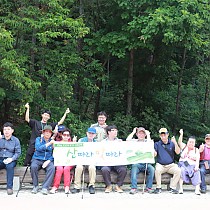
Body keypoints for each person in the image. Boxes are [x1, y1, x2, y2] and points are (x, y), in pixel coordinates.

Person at [126, 127, 155, 194]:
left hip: (146, 163)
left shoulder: (148, 141)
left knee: (152, 169)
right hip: (137, 163)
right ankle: (134, 188)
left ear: (145, 135)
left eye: (143, 133)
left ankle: (148, 187)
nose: (141, 135)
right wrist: (133, 132)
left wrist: (148, 135)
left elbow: (150, 144)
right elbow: (127, 140)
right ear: (137, 134)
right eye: (139, 133)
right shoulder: (134, 141)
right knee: (134, 168)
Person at [153, 127, 181, 194]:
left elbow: (178, 152)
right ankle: (158, 187)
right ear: (160, 136)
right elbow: (154, 155)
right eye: (161, 135)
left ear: (168, 134)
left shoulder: (172, 143)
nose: (163, 137)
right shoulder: (157, 144)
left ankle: (173, 187)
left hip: (170, 165)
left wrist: (175, 143)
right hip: (160, 165)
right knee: (157, 170)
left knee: (178, 170)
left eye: (164, 135)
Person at [101, 125, 127, 193]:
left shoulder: (119, 141)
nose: (115, 132)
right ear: (108, 132)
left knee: (123, 169)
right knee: (104, 169)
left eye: (116, 130)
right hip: (107, 162)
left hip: (117, 162)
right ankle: (108, 186)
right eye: (113, 130)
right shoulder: (103, 142)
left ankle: (118, 186)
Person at [71, 127, 97, 194]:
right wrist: (74, 143)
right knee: (79, 167)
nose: (91, 135)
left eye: (92, 133)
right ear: (87, 133)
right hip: (81, 160)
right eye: (89, 133)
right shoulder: (81, 140)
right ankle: (77, 187)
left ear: (95, 135)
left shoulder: (96, 143)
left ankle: (91, 186)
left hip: (91, 161)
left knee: (92, 168)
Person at [30, 125, 55, 195]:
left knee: (52, 168)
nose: (47, 133)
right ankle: (35, 186)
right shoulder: (38, 139)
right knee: (33, 166)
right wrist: (49, 144)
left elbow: (55, 154)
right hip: (37, 159)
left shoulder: (53, 142)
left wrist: (49, 160)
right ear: (43, 133)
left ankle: (45, 187)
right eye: (46, 132)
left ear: (51, 134)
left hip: (48, 160)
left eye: (49, 132)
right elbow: (38, 148)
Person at [50, 128, 75, 194]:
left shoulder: (72, 143)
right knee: (59, 169)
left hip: (69, 162)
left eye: (68, 135)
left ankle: (67, 187)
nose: (66, 136)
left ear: (69, 136)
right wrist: (52, 141)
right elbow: (53, 149)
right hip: (60, 161)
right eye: (64, 135)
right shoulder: (57, 143)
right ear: (62, 135)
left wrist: (75, 143)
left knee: (66, 168)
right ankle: (55, 186)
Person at [0, 122, 21, 195]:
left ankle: (9, 187)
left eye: (8, 129)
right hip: (1, 158)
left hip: (11, 159)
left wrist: (11, 159)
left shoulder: (15, 140)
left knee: (10, 167)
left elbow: (18, 153)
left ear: (12, 131)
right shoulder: (0, 138)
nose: (6, 131)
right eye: (5, 129)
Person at [178, 129, 201, 195]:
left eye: (192, 142)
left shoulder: (196, 150)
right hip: (184, 164)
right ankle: (180, 188)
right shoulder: (184, 146)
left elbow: (197, 160)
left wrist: (196, 167)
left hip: (192, 165)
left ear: (195, 143)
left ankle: (197, 189)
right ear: (187, 142)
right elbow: (179, 142)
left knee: (197, 171)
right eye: (190, 142)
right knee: (181, 170)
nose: (191, 143)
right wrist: (181, 134)